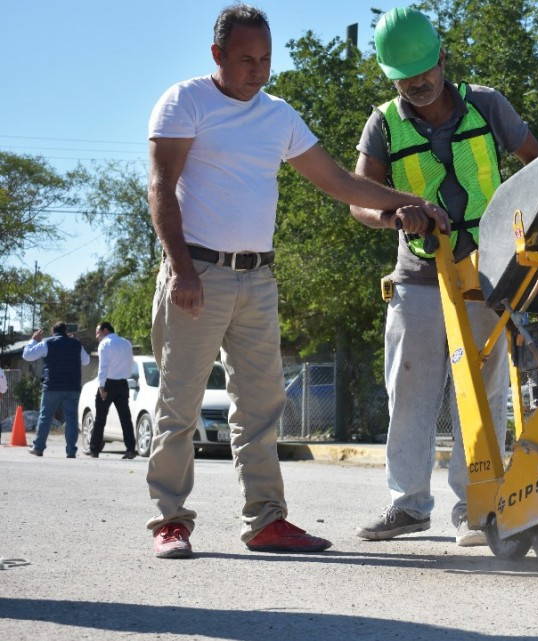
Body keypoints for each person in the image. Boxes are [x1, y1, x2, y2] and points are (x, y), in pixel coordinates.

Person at [146, 3, 446, 560]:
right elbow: (161, 187)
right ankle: (170, 519)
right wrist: (182, 269)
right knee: (179, 405)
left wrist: (411, 202)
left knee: (261, 407)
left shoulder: (278, 115)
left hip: (258, 278)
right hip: (198, 275)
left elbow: (337, 181)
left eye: (264, 59)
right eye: (245, 59)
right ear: (217, 56)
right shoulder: (185, 101)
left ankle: (266, 521)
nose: (257, 70)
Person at [349, 7, 538, 547]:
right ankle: (407, 505)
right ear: (391, 77)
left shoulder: (487, 104)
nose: (417, 86)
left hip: (487, 274)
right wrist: (393, 213)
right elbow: (358, 201)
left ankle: (477, 507)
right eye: (405, 80)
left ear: (442, 57)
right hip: (418, 277)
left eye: (425, 74)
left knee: (481, 392)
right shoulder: (383, 123)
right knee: (409, 389)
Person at [23, 322, 91, 457]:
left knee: (45, 417)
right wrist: (72, 342)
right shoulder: (76, 344)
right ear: (66, 331)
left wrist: (33, 340)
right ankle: (71, 451)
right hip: (72, 387)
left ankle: (38, 447)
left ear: (53, 332)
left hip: (52, 387)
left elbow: (27, 355)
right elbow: (86, 361)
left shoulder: (48, 343)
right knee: (71, 419)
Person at [88, 321, 137, 459]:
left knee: (100, 418)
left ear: (105, 330)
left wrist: (101, 386)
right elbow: (131, 362)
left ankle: (94, 449)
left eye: (98, 333)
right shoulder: (126, 343)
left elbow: (103, 367)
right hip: (123, 384)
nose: (97, 337)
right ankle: (131, 449)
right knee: (125, 418)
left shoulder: (105, 344)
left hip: (108, 384)